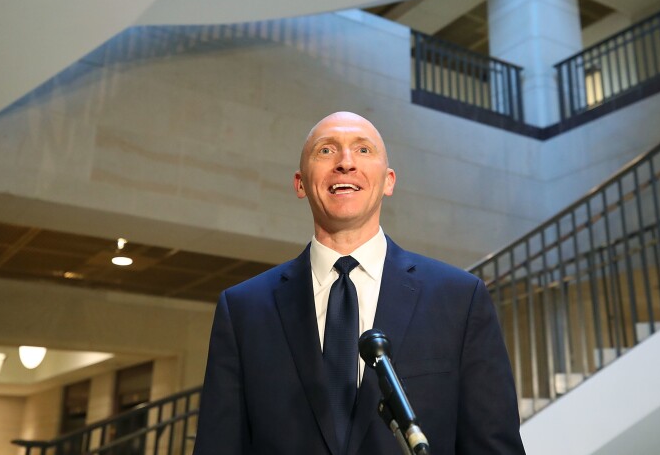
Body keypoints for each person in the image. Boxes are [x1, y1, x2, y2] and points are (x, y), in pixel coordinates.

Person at [193, 112, 525, 455]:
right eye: (325, 151)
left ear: (389, 181)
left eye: (363, 150)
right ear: (300, 183)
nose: (345, 163)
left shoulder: (459, 299)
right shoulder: (244, 309)